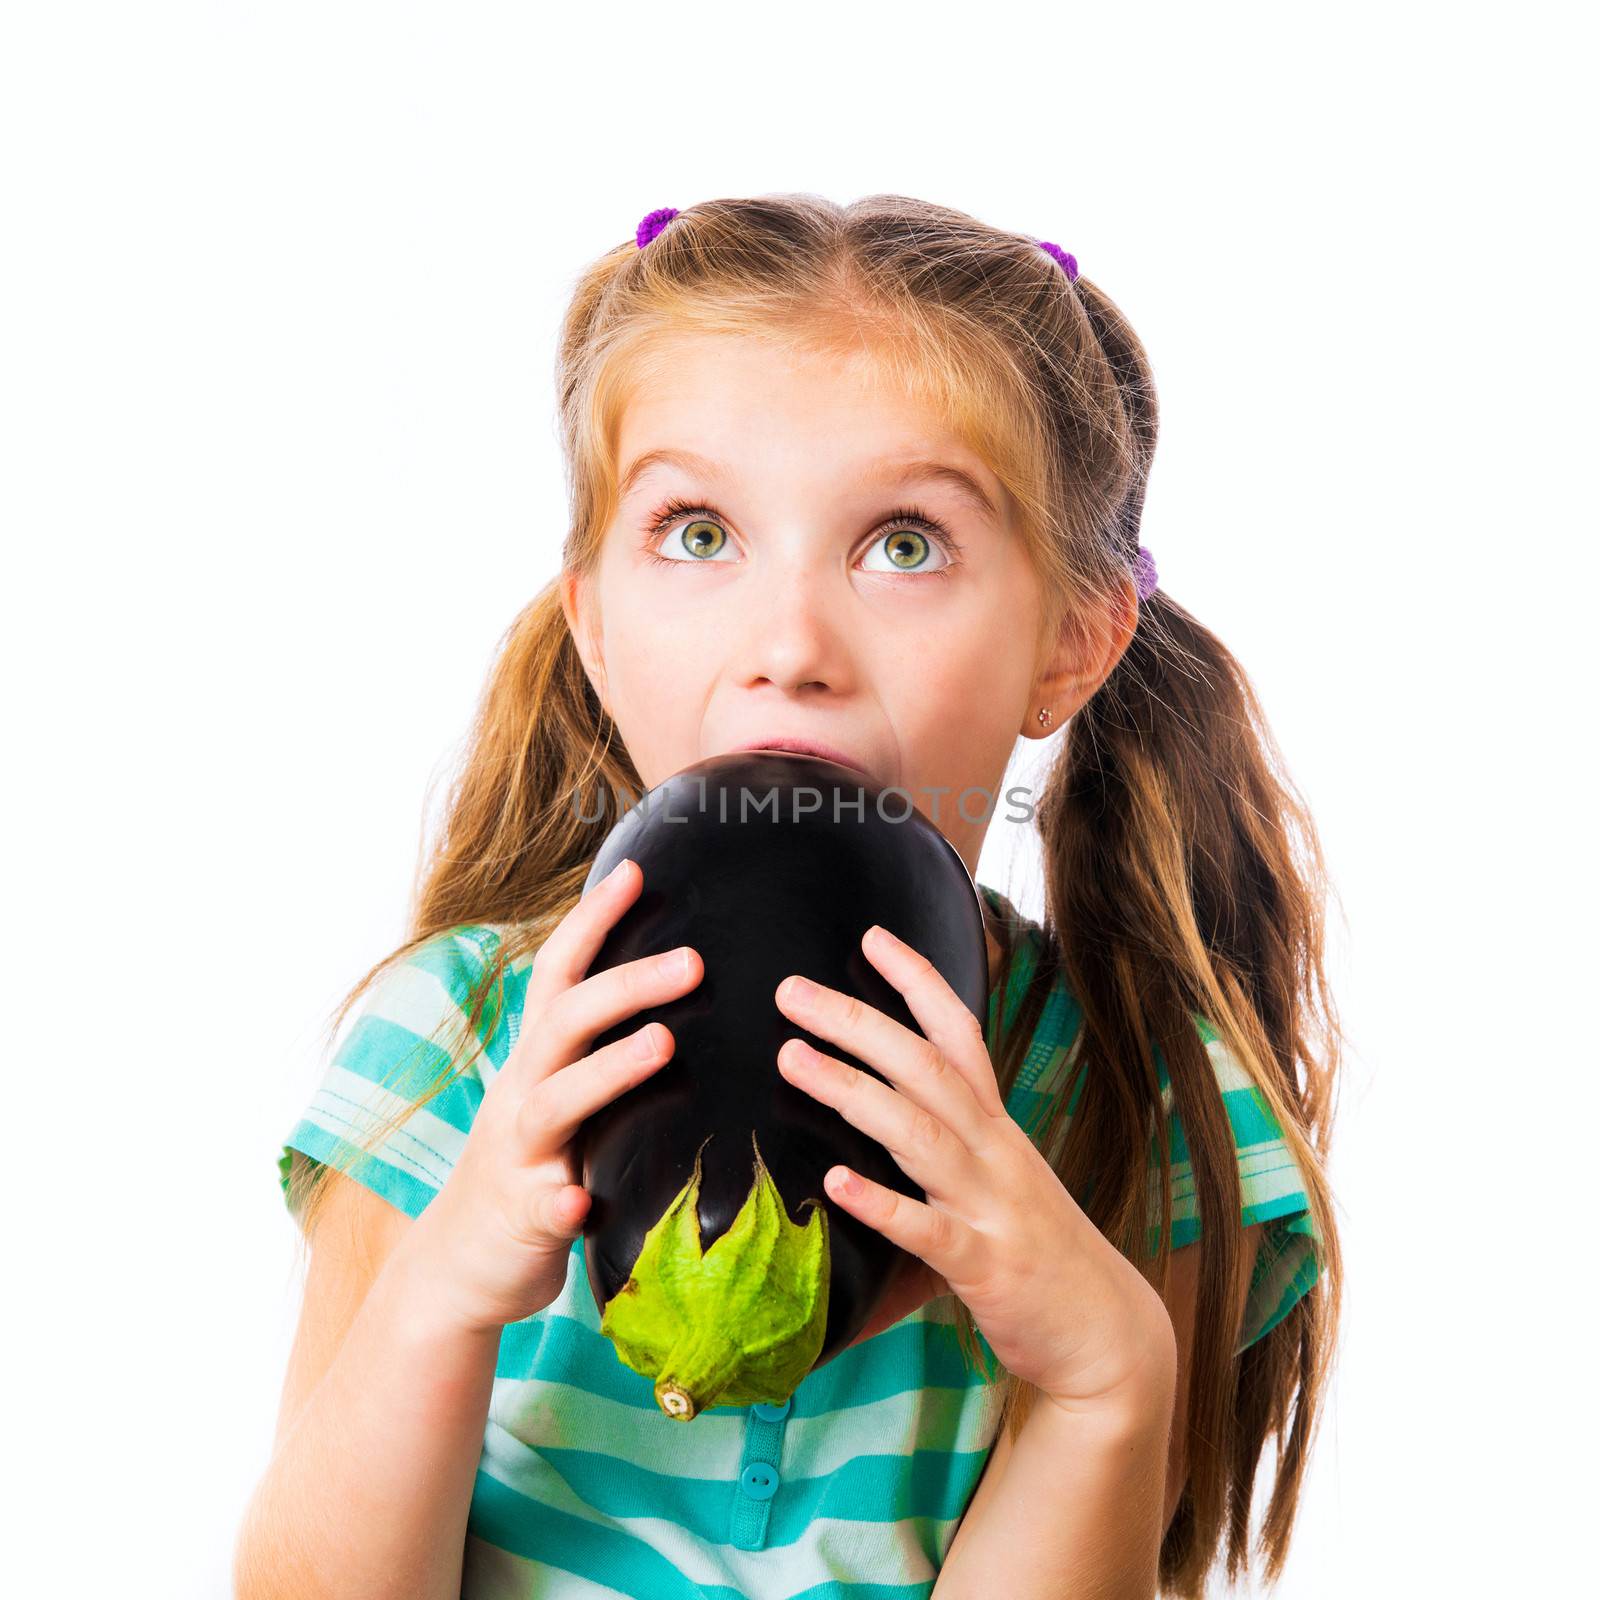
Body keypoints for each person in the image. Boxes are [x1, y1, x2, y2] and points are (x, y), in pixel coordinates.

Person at [236, 193, 1343, 1600]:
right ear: (591, 617)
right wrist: (448, 1285)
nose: (790, 645)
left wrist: (1102, 1385)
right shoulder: (453, 1044)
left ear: (1073, 640)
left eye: (905, 544)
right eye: (698, 533)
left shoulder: (1134, 1101)